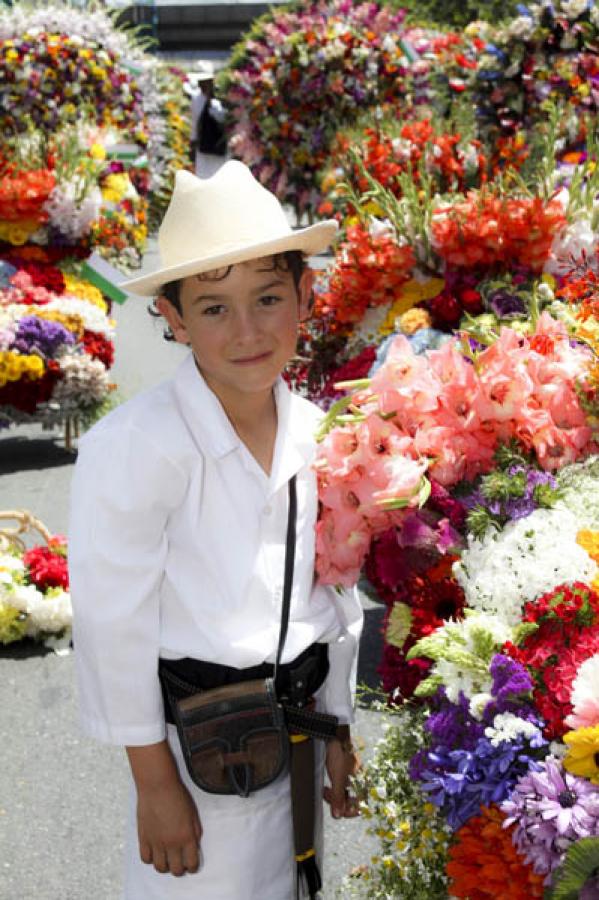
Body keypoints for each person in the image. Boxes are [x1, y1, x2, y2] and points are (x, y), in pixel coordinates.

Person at [68, 160, 364, 900]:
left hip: (293, 736)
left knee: (295, 884)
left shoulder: (319, 430)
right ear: (170, 318)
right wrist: (153, 785)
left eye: (267, 298)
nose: (246, 331)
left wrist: (339, 727)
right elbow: (113, 624)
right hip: (198, 758)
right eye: (212, 309)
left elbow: (331, 599)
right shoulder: (137, 445)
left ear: (305, 295)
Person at [188, 60, 228, 179]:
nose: (201, 84)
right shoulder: (196, 99)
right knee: (203, 178)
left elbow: (223, 120)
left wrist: (212, 102)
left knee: (219, 178)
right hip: (203, 148)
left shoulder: (221, 98)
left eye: (204, 81)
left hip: (219, 148)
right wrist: (193, 143)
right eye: (200, 81)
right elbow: (195, 123)